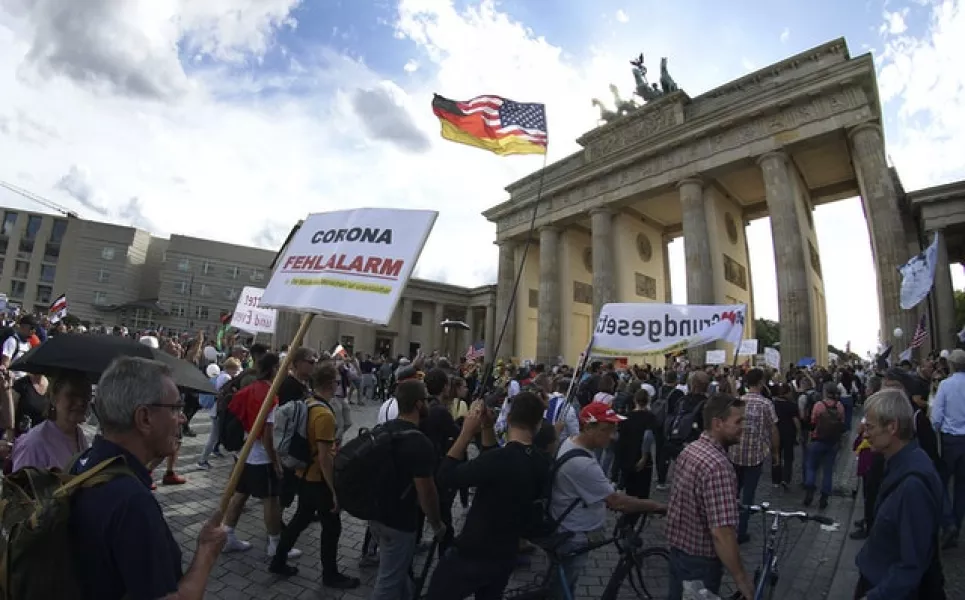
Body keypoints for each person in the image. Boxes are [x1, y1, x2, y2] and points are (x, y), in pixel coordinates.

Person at [68, 357, 226, 599]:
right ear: (144, 418)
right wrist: (206, 552)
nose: (182, 418)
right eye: (175, 408)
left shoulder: (83, 462)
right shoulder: (132, 503)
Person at [425, 392, 548, 599]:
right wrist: (487, 428)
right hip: (506, 553)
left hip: (473, 552)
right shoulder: (542, 461)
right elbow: (492, 462)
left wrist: (465, 433)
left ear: (508, 419)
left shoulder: (499, 460)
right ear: (538, 424)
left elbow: (445, 476)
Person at [270, 361, 359, 588]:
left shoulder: (308, 403)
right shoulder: (324, 415)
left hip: (302, 474)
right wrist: (333, 490)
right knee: (332, 527)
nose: (340, 386)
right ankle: (330, 574)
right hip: (318, 479)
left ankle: (278, 561)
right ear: (330, 384)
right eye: (338, 383)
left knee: (300, 519)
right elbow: (324, 457)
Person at [855, 388, 945, 599]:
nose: (865, 434)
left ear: (892, 427)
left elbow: (911, 563)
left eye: (870, 427)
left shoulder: (913, 485)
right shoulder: (899, 463)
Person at [666, 393, 753, 600]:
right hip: (700, 561)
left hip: (679, 551)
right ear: (717, 423)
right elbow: (721, 532)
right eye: (738, 421)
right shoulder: (718, 466)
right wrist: (741, 578)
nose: (743, 427)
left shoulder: (691, 450)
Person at [369, 379, 445, 600]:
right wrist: (437, 524)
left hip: (376, 514)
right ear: (419, 404)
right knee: (388, 582)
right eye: (426, 400)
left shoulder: (383, 429)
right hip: (399, 522)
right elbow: (427, 493)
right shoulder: (419, 443)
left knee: (397, 571)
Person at [11, 372, 91, 471]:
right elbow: (21, 484)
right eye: (72, 395)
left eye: (85, 396)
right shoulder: (34, 444)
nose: (80, 402)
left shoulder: (79, 435)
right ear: (54, 398)